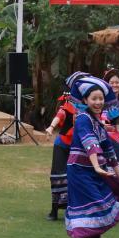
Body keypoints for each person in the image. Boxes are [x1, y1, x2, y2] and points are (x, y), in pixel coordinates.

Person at [63, 73, 119, 238]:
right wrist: (97, 166)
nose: (98, 102)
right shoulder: (83, 119)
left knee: (100, 200)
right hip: (79, 170)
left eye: (100, 99)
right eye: (94, 99)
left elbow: (107, 147)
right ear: (85, 100)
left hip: (95, 170)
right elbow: (89, 143)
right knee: (85, 202)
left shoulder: (97, 121)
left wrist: (117, 172)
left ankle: (94, 235)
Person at [41, 91, 77, 220]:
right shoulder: (66, 107)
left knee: (75, 176)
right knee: (58, 176)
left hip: (78, 146)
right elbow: (59, 115)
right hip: (62, 145)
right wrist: (51, 127)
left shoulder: (88, 107)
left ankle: (74, 209)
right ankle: (54, 210)